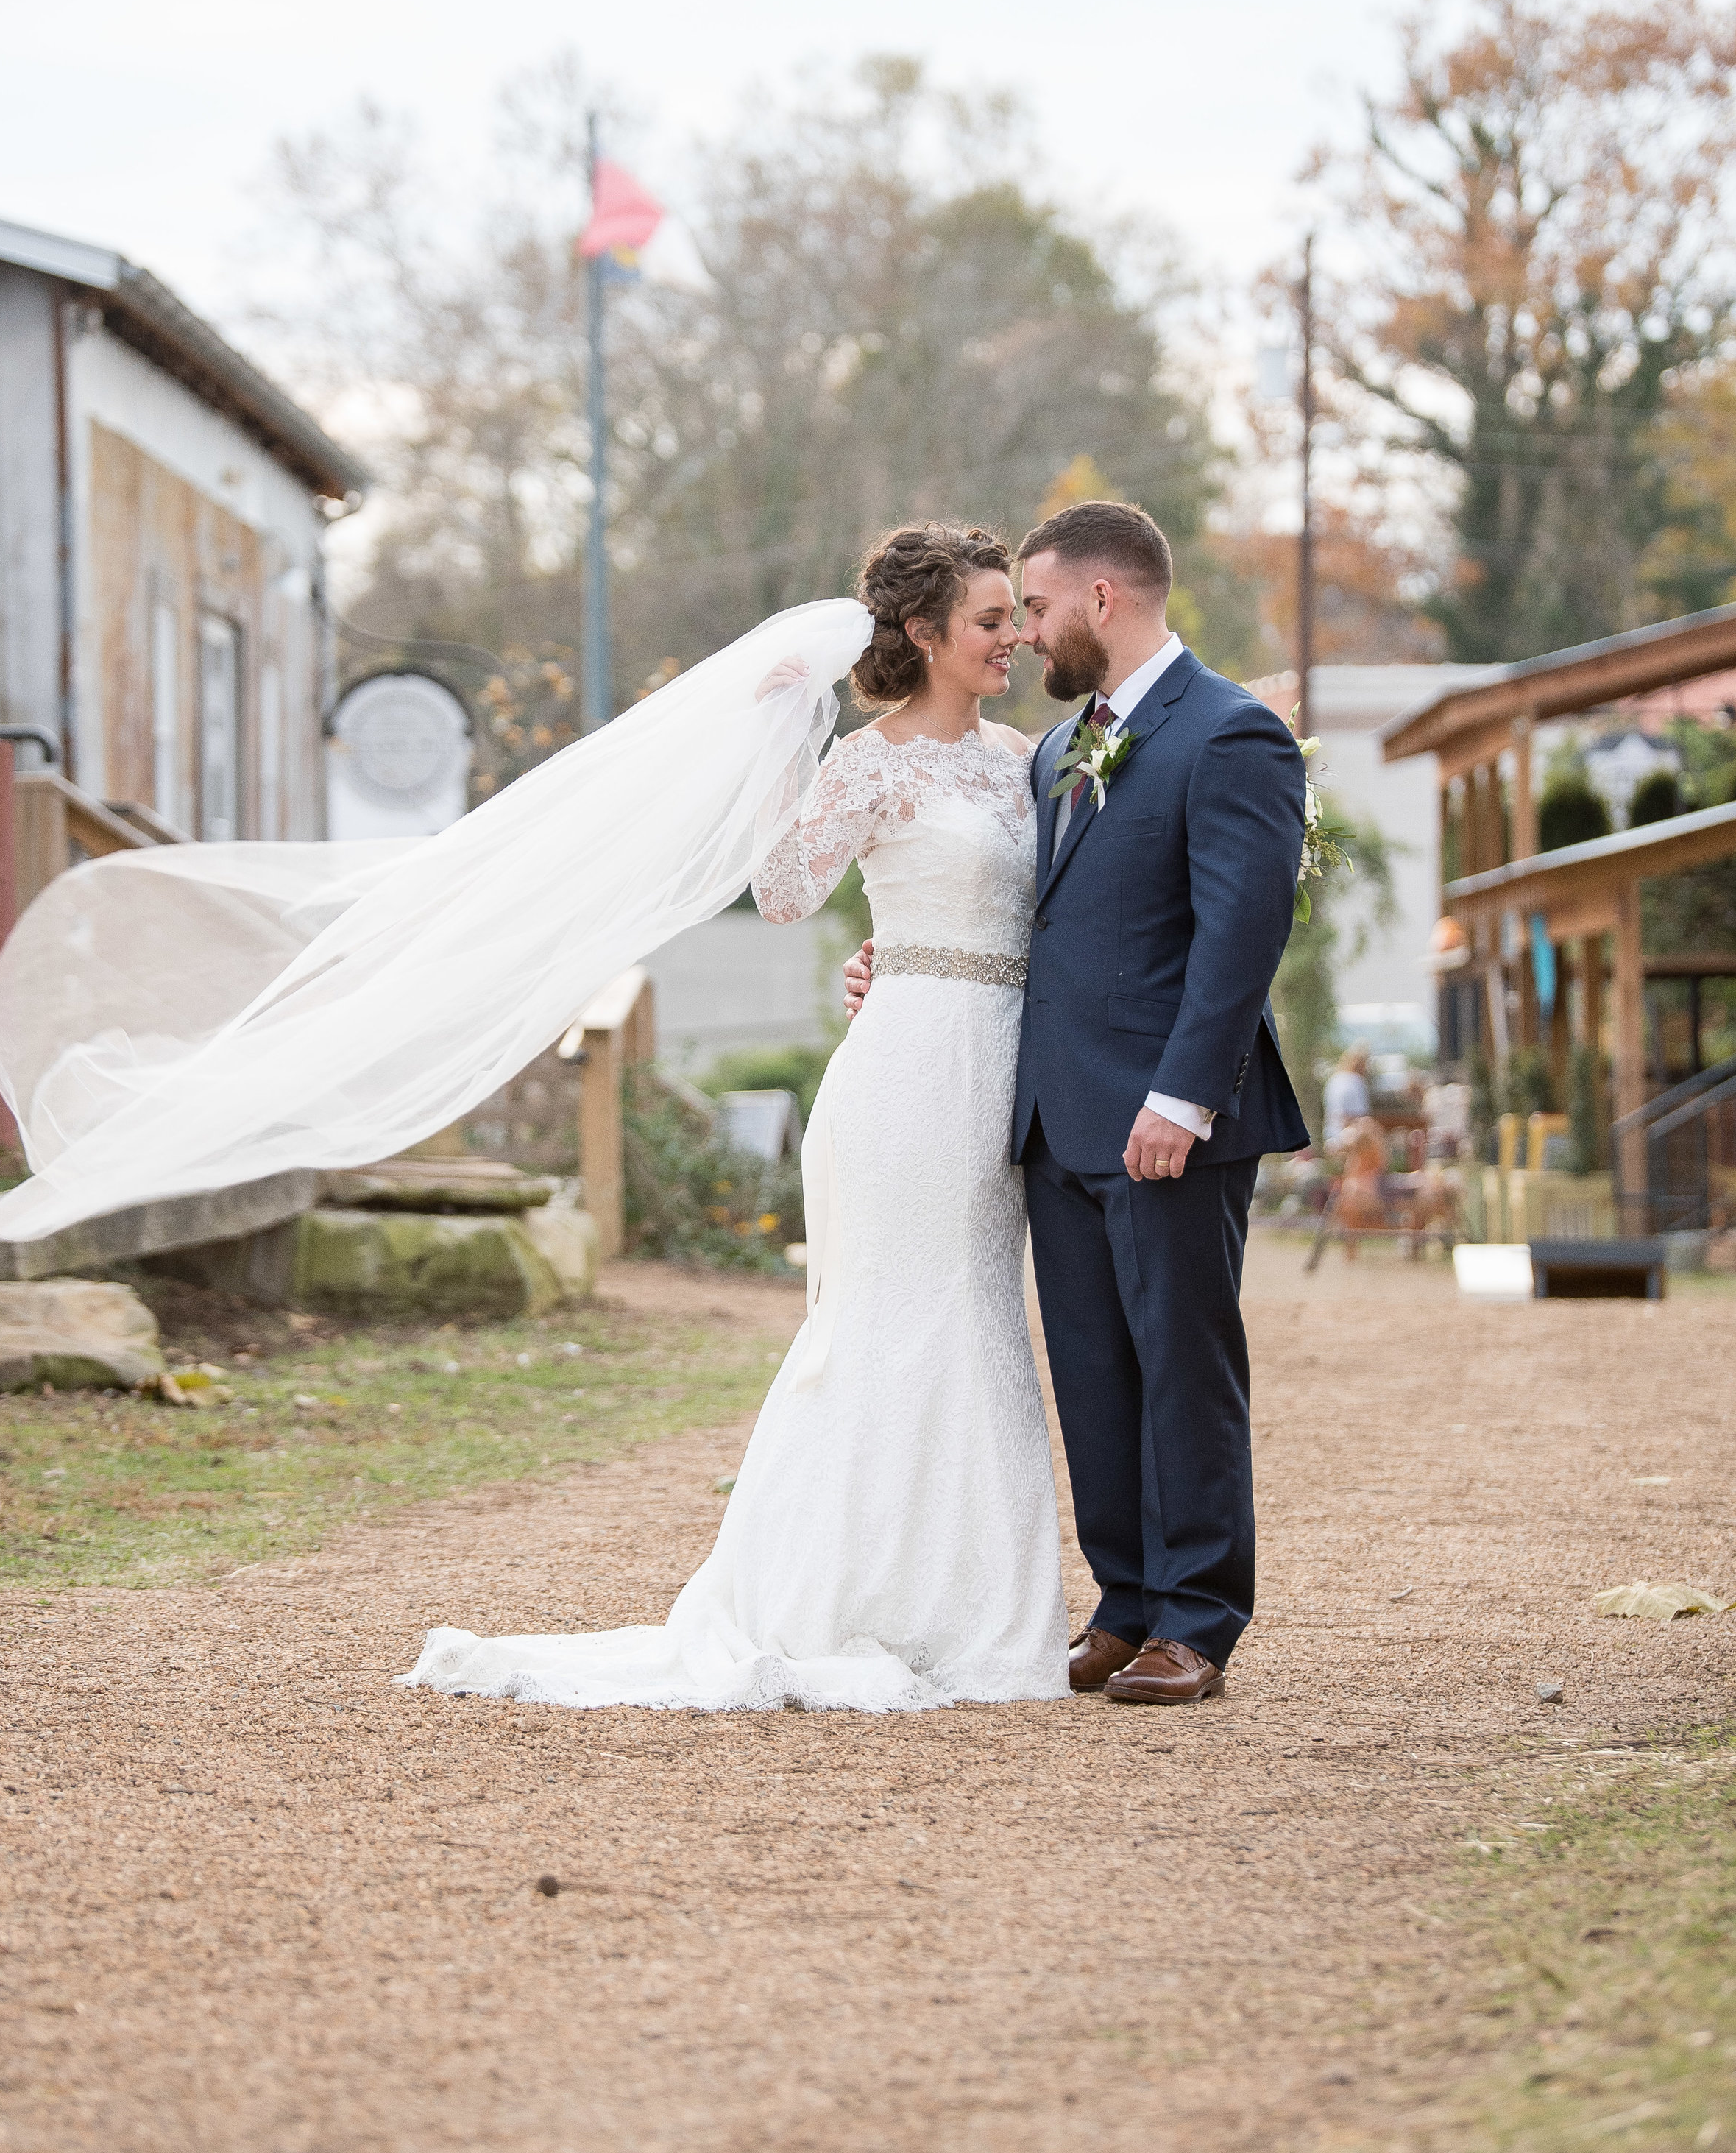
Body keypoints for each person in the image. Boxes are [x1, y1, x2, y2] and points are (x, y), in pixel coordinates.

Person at [403, 522, 1071, 1711]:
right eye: (989, 619)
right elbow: (783, 893)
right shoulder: (869, 765)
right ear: (923, 636)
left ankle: (977, 1609)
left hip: (1004, 1064)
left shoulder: (1020, 757)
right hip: (910, 1071)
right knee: (892, 1323)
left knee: (978, 1322)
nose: (1014, 635)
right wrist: (784, 753)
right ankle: (833, 1596)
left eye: (1014, 616)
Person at [846, 500, 1308, 1706]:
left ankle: (1197, 1623)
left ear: (1103, 601)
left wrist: (1187, 1099)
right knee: (1095, 1372)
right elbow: (1031, 920)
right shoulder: (1055, 753)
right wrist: (888, 957)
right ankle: (1126, 1604)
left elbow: (1241, 939)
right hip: (1049, 1116)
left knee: (1183, 1367)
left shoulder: (1233, 734)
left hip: (1167, 1121)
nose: (1028, 636)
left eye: (1039, 609)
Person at [1322, 1044, 1372, 1149]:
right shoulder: (1357, 1081)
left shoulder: (1334, 1079)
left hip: (1330, 1134)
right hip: (1348, 1134)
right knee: (1374, 1132)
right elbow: (1359, 1116)